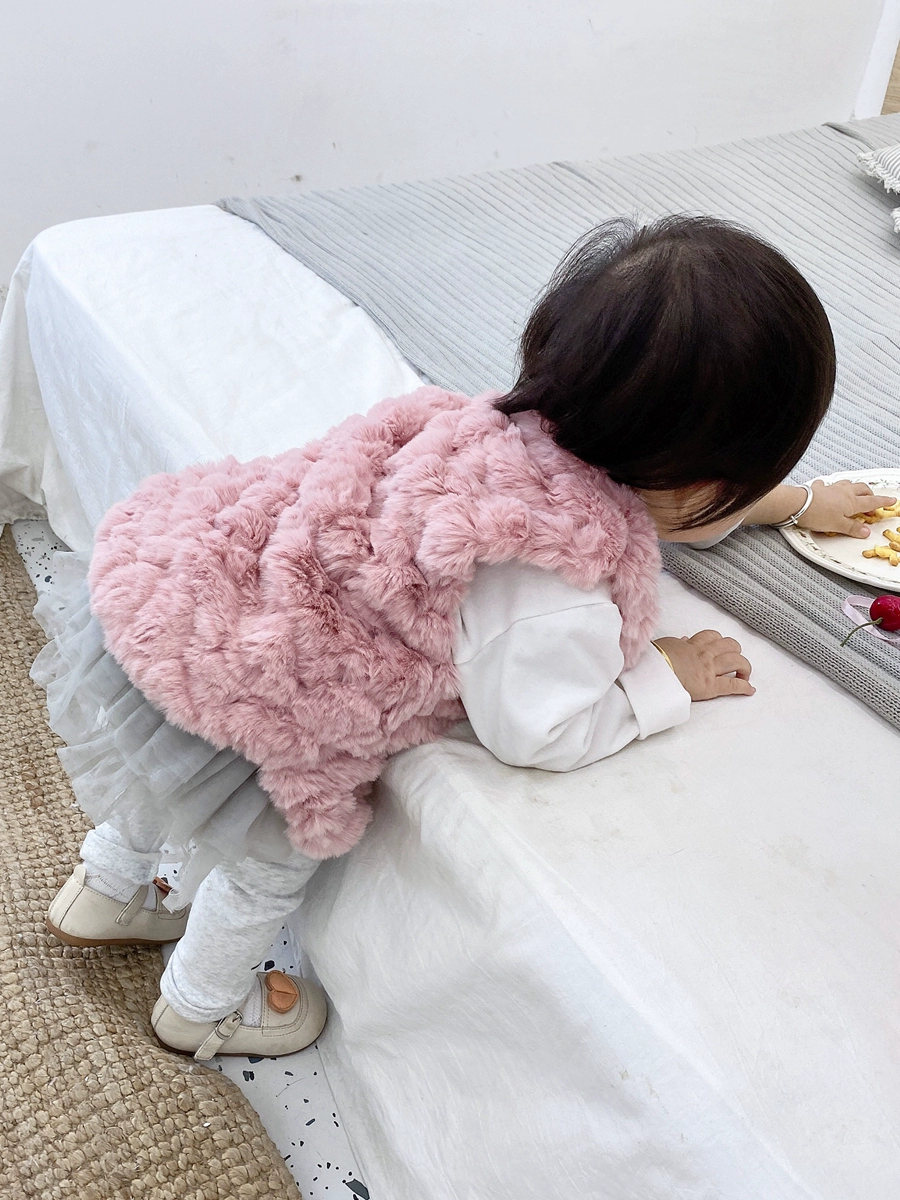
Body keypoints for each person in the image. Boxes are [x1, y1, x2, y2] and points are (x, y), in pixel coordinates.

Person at [37, 214, 891, 1062]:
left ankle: (108, 891)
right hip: (275, 687)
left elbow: (684, 508)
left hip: (187, 599)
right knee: (269, 861)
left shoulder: (518, 430)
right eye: (749, 482)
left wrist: (797, 505)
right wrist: (666, 673)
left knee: (158, 767)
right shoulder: (554, 578)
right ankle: (200, 1005)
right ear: (702, 478)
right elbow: (537, 732)